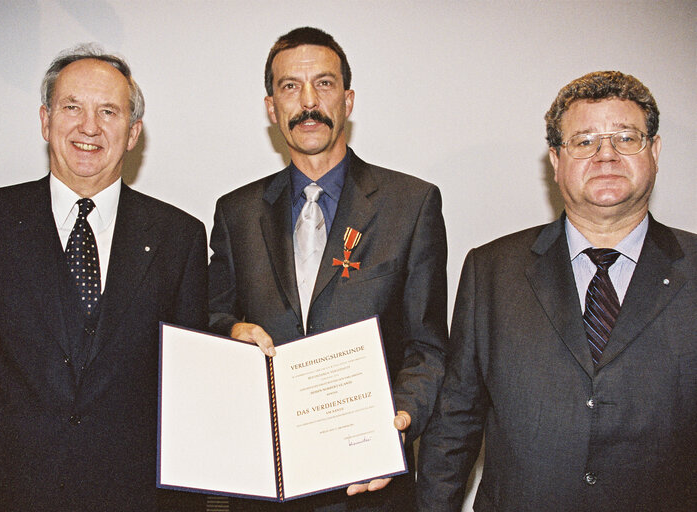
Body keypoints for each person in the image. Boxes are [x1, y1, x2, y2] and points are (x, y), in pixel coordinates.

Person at [0, 44, 207, 511]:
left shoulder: (180, 238)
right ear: (45, 120)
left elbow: (188, 404)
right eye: (72, 107)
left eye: (109, 111)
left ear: (133, 131)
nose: (89, 127)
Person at [417, 70, 697, 511]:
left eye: (626, 138)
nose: (606, 155)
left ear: (655, 151)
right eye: (584, 142)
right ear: (554, 159)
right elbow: (455, 420)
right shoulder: (491, 271)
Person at [208, 26, 447, 510]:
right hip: (264, 483)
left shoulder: (412, 204)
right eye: (289, 87)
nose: (308, 101)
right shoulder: (236, 212)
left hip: (370, 485)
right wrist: (231, 332)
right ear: (272, 107)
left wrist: (400, 417)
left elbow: (427, 346)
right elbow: (211, 319)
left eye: (324, 83)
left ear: (348, 100)